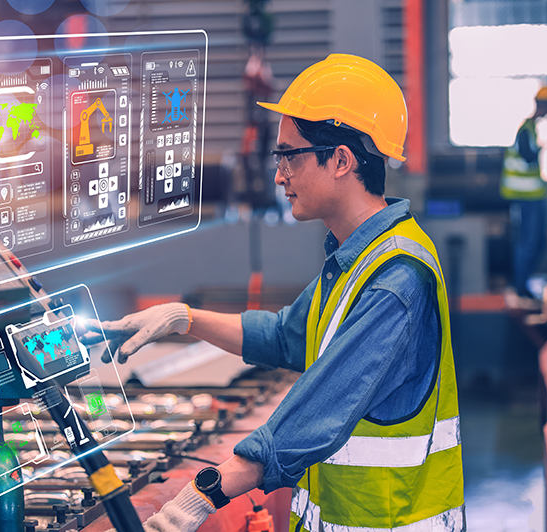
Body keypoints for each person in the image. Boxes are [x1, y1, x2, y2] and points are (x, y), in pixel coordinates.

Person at [84, 54, 465, 532]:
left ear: (341, 160)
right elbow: (284, 335)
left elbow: (317, 410)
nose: (279, 174)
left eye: (289, 155)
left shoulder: (396, 280)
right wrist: (183, 317)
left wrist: (201, 496)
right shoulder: (355, 260)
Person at [501, 86, 547, 298]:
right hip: (526, 197)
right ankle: (520, 285)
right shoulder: (525, 130)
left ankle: (523, 282)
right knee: (529, 242)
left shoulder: (532, 129)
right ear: (542, 105)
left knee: (540, 242)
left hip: (535, 195)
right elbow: (529, 157)